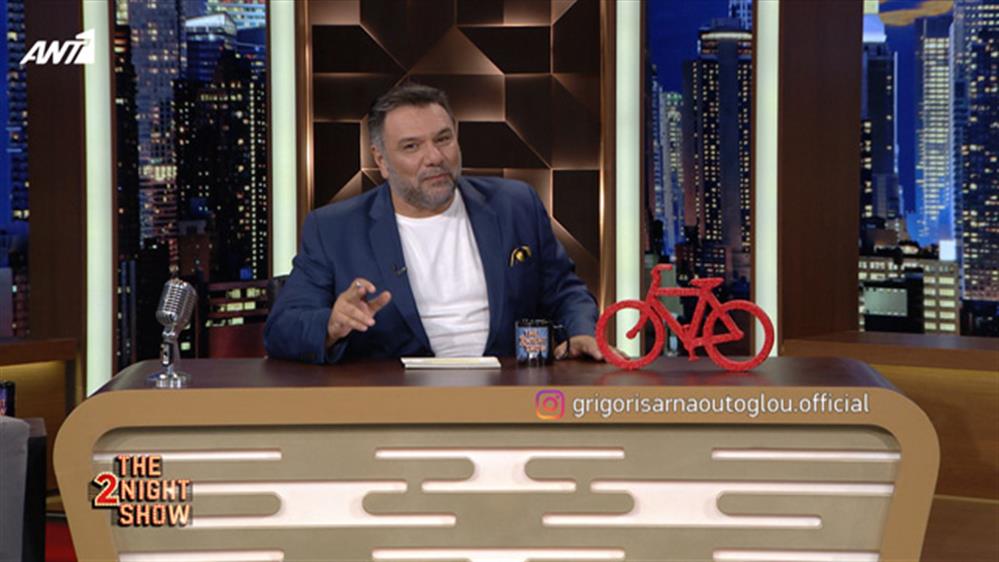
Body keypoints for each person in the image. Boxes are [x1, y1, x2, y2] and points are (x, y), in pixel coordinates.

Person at [264, 83, 603, 364]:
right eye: (412, 146)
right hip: (395, 404)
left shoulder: (515, 205)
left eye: (443, 139)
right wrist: (331, 325)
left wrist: (580, 331)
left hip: (506, 393)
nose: (435, 157)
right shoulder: (334, 229)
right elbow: (282, 329)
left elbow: (564, 291)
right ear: (381, 160)